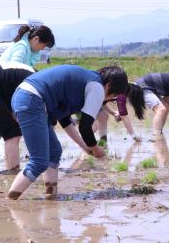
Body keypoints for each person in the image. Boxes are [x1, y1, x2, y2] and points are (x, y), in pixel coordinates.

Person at [7, 65, 128, 200]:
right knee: (39, 161)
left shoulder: (83, 83)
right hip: (33, 99)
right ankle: (10, 202)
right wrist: (95, 148)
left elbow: (64, 121)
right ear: (109, 85)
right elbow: (85, 127)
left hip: (25, 96)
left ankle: (51, 196)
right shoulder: (97, 86)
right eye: (114, 95)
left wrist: (85, 147)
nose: (110, 99)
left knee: (54, 152)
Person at [0, 25, 55, 157]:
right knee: (13, 128)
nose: (43, 49)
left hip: (7, 87)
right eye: (44, 45)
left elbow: (27, 71)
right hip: (3, 87)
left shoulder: (29, 49)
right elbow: (15, 70)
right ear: (36, 39)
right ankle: (13, 169)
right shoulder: (21, 48)